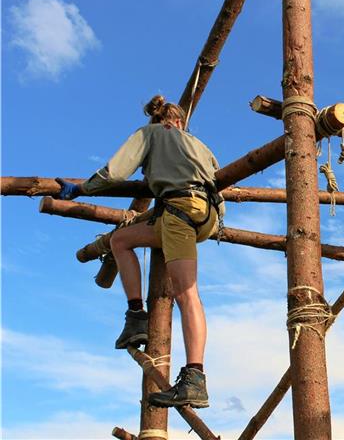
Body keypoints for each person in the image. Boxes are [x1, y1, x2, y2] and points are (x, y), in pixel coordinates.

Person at [56, 95, 224, 409]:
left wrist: (79, 190)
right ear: (180, 122)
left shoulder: (150, 134)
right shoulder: (200, 145)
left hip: (180, 211)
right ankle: (136, 316)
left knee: (187, 295)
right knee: (121, 240)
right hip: (205, 217)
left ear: (162, 121)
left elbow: (115, 171)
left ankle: (195, 378)